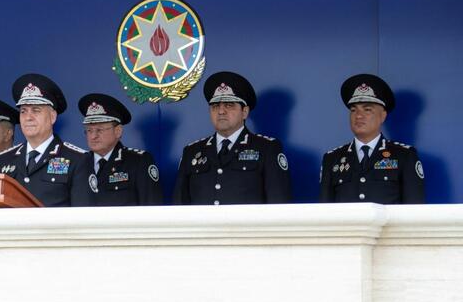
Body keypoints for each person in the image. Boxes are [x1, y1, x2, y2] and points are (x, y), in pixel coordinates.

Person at [173, 71, 291, 205]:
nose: (221, 111)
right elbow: (179, 206)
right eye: (215, 106)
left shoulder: (267, 148)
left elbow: (278, 205)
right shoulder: (191, 152)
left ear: (244, 112)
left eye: (229, 105)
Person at [319, 74, 424, 203]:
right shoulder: (332, 159)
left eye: (367, 109)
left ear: (383, 116)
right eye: (353, 110)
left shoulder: (405, 156)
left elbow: (414, 209)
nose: (358, 116)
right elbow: (325, 210)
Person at [0, 73, 91, 207]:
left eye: (36, 110)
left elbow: (83, 215)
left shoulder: (78, 160)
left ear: (52, 117)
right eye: (23, 111)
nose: (28, 117)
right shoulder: (2, 160)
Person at [78, 93, 162, 206]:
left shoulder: (138, 162)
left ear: (118, 131)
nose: (93, 136)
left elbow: (152, 209)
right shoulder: (79, 163)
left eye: (99, 130)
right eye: (89, 130)